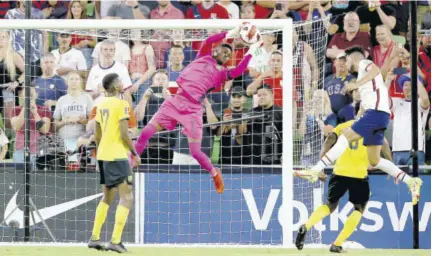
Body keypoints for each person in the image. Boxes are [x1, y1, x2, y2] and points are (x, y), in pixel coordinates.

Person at [132, 25, 262, 194]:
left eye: (229, 55)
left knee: (195, 151)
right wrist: (230, 34)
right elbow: (209, 40)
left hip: (193, 110)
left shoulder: (222, 73)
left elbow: (238, 71)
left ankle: (215, 173)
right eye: (224, 51)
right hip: (176, 101)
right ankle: (132, 161)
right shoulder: (203, 56)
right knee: (146, 133)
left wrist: (251, 50)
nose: (227, 55)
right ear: (215, 51)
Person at [298, 46, 423, 205]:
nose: (344, 62)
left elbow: (376, 70)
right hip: (378, 115)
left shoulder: (364, 63)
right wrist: (357, 118)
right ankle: (411, 181)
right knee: (375, 161)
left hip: (376, 113)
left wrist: (357, 85)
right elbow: (367, 101)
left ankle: (315, 170)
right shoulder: (368, 85)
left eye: (346, 59)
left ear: (353, 58)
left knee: (344, 139)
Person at [295, 101, 393, 253]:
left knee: (330, 205)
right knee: (359, 209)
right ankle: (337, 244)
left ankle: (306, 225)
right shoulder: (373, 127)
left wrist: (322, 162)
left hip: (339, 171)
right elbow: (385, 144)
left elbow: (329, 139)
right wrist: (390, 165)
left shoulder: (345, 126)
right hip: (359, 174)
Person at [88, 73, 140, 253]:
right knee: (127, 197)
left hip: (102, 155)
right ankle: (115, 240)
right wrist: (135, 153)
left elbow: (97, 134)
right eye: (121, 82)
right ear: (117, 87)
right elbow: (125, 134)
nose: (123, 84)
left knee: (108, 197)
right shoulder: (122, 104)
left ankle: (95, 238)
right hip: (117, 156)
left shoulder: (100, 105)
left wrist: (100, 150)